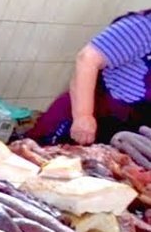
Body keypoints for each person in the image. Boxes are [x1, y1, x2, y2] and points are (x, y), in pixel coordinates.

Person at [30, 10, 150, 145]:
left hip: (126, 133)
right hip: (90, 117)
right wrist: (83, 116)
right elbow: (87, 59)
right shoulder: (143, 26)